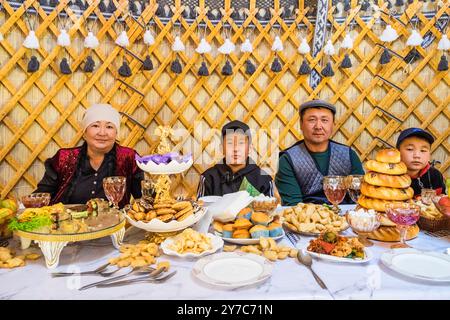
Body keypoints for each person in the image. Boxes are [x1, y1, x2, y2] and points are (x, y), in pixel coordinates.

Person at [35, 104, 144, 207]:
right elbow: (41, 196)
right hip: (66, 224)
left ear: (116, 133)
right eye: (95, 125)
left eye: (109, 127)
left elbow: (143, 198)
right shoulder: (63, 158)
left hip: (115, 225)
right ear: (85, 131)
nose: (102, 133)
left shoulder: (128, 157)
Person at [275, 99, 364, 205]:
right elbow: (293, 205)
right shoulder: (288, 159)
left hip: (345, 218)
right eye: (312, 120)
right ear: (301, 124)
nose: (318, 126)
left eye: (324, 120)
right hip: (306, 218)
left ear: (333, 125)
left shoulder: (349, 155)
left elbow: (361, 197)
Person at [197, 120, 276, 198]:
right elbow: (200, 209)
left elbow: (270, 209)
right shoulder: (208, 178)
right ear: (221, 148)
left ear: (250, 148)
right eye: (230, 143)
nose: (235, 149)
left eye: (241, 143)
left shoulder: (264, 180)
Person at [397, 127, 446, 197]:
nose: (417, 155)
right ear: (398, 152)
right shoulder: (390, 177)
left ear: (429, 155)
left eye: (423, 150)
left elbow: (442, 199)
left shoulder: (435, 175)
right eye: (410, 149)